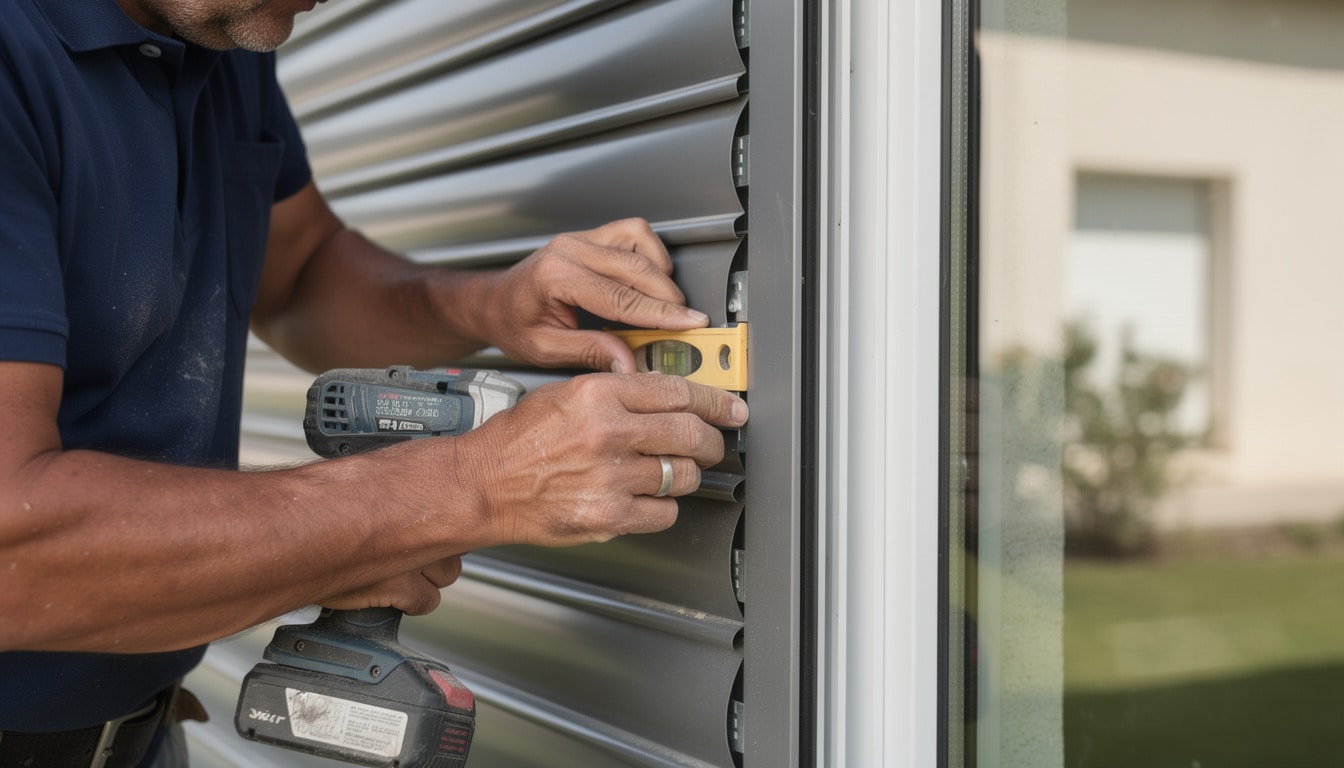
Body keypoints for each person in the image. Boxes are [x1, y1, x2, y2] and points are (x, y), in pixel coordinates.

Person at [0, 0, 750, 765]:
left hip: (142, 738)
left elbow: (299, 274)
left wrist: (487, 305)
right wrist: (465, 487)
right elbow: (14, 555)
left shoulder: (223, 27)